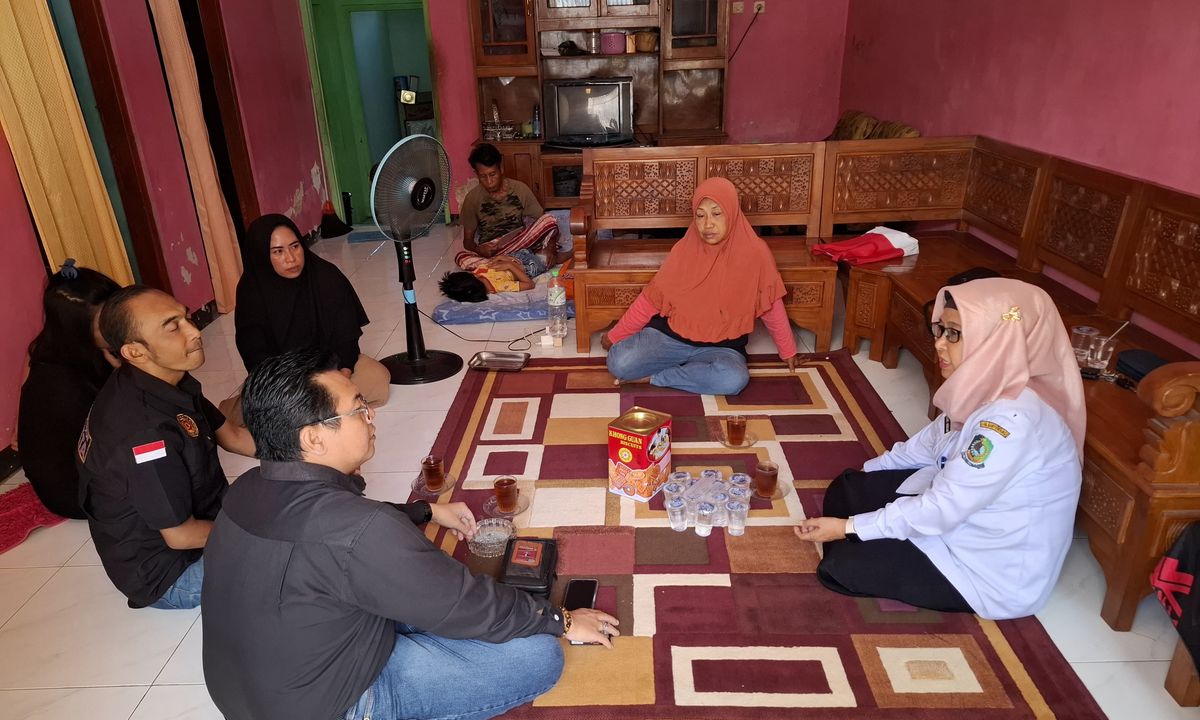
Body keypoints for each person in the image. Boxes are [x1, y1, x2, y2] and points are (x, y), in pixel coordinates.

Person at [201, 348, 618, 720]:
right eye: (358, 409)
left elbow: (337, 530)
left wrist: (425, 510)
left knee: (417, 588)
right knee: (536, 653)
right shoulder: (361, 531)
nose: (371, 417)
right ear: (313, 438)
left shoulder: (247, 488)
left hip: (258, 707)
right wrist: (562, 620)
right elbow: (462, 601)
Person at [794, 278, 1085, 620]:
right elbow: (922, 447)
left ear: (996, 339)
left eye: (955, 334)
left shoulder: (1010, 424)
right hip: (959, 512)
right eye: (941, 330)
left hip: (983, 567)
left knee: (839, 568)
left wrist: (848, 528)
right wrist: (864, 483)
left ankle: (869, 542)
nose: (940, 344)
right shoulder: (984, 385)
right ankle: (874, 535)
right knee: (845, 489)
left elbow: (942, 508)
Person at [77, 286, 256, 609]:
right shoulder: (145, 434)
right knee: (290, 554)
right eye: (173, 327)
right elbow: (180, 536)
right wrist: (257, 535)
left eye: (186, 318)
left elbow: (232, 436)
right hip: (173, 573)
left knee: (284, 494)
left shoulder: (165, 378)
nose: (194, 331)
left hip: (205, 515)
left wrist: (312, 455)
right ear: (134, 351)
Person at [602, 177, 801, 395]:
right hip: (671, 338)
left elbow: (771, 303)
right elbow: (651, 300)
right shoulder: (684, 249)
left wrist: (788, 351)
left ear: (732, 212)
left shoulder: (756, 253)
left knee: (733, 380)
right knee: (619, 363)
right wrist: (615, 336)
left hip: (723, 346)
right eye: (700, 215)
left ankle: (658, 378)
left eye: (717, 213)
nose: (708, 225)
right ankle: (693, 372)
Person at [232, 214, 389, 409]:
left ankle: (320, 409)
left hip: (331, 370)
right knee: (257, 409)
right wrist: (294, 390)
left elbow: (346, 338)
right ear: (262, 255)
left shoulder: (325, 276)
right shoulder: (251, 293)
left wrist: (343, 376)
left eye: (295, 246)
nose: (291, 258)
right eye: (278, 251)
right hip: (282, 383)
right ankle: (325, 408)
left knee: (377, 379)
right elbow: (255, 357)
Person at [18, 261, 119, 518]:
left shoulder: (56, 348)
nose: (118, 324)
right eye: (105, 322)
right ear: (77, 329)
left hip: (86, 470)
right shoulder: (64, 382)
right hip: (75, 493)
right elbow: (126, 428)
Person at [456, 143, 560, 274]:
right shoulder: (472, 198)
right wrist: (478, 249)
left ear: (501, 169)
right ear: (476, 174)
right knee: (461, 258)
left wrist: (550, 247)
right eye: (483, 176)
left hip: (521, 243)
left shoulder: (520, 189)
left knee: (549, 219)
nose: (489, 182)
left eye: (492, 174)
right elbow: (467, 242)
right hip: (492, 252)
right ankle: (518, 265)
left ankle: (510, 265)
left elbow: (544, 223)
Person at [437, 254, 535, 302]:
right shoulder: (500, 286)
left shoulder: (477, 273)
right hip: (527, 265)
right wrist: (510, 265)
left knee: (461, 256)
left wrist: (498, 259)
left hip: (512, 255)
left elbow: (489, 263)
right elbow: (529, 284)